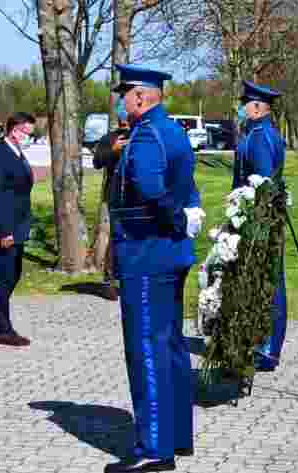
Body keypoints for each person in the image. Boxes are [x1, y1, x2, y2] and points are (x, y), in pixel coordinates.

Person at [104, 64, 205, 473]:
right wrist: (188, 216)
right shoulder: (174, 130)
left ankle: (154, 450)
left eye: (123, 95)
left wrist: (179, 219)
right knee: (171, 346)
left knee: (146, 348)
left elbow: (148, 188)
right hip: (170, 254)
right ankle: (176, 436)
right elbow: (186, 186)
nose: (120, 102)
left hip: (146, 255)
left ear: (141, 97)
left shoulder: (147, 133)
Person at [233, 80, 288, 372]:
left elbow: (263, 185)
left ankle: (267, 347)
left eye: (244, 104)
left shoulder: (261, 137)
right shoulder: (256, 133)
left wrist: (253, 222)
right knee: (263, 278)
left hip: (260, 221)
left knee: (269, 281)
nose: (241, 109)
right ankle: (260, 342)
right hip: (254, 219)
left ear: (255, 107)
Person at [0, 112, 37, 347]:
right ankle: (2, 330)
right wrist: (4, 232)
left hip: (19, 226)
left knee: (13, 275)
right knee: (4, 278)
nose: (29, 138)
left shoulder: (17, 154)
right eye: (27, 133)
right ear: (15, 131)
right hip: (5, 229)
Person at [92, 104, 131, 301]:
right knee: (114, 239)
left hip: (136, 196)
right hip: (114, 195)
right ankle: (109, 281)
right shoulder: (109, 138)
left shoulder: (140, 135)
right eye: (122, 120)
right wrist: (113, 150)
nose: (125, 124)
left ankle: (128, 279)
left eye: (128, 119)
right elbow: (97, 161)